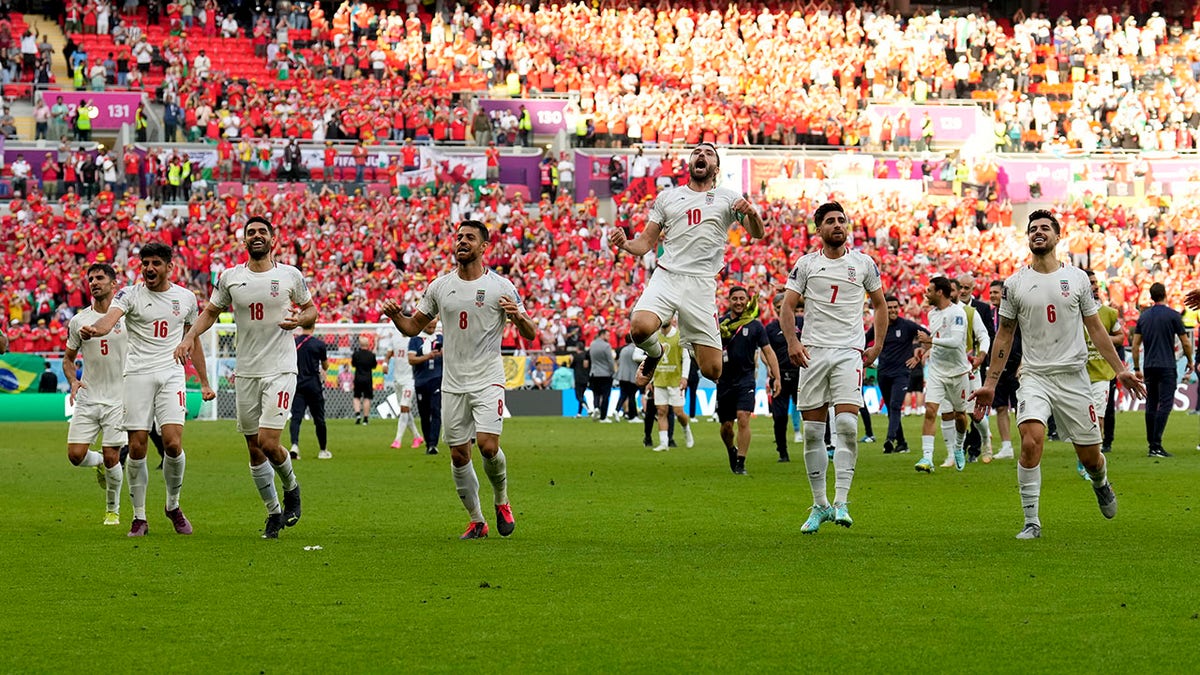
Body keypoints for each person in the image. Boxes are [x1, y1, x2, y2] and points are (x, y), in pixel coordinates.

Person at [971, 210, 1145, 540]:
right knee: (1031, 442)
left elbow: (1095, 328)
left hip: (1073, 377)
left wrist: (1120, 370)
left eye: (1045, 228)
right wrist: (990, 383)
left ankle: (1100, 482)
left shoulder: (1078, 279)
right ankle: (1031, 521)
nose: (1038, 232)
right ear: (1028, 237)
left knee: (1091, 457)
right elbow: (1004, 334)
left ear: (1057, 236)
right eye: (1033, 228)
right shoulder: (1014, 284)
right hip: (1035, 376)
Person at [383, 220, 537, 540]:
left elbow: (531, 333)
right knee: (457, 454)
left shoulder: (501, 286)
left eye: (470, 238)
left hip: (488, 378)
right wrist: (396, 315)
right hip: (452, 383)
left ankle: (502, 500)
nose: (462, 242)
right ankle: (477, 520)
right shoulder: (440, 286)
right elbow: (413, 327)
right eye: (458, 237)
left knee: (487, 445)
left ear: (484, 247)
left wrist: (519, 316)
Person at [177, 217, 315, 539]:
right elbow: (210, 312)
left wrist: (299, 319)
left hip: (280, 368)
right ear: (244, 241)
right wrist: (188, 337)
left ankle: (292, 488)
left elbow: (311, 310)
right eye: (250, 232)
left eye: (261, 232)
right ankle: (273, 513)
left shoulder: (289, 275)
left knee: (269, 442)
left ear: (272, 239)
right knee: (254, 449)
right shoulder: (230, 278)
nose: (256, 236)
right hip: (247, 371)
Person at [81, 242, 216, 538]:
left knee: (172, 444)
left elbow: (192, 340)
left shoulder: (186, 298)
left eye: (156, 263)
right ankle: (139, 517)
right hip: (138, 374)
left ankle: (172, 505)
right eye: (145, 263)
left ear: (170, 267)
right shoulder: (128, 294)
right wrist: (98, 329)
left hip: (171, 374)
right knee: (138, 445)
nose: (149, 268)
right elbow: (109, 320)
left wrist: (204, 381)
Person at [608, 142, 764, 391]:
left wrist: (753, 214)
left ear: (716, 168)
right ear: (690, 164)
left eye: (708, 153)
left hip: (701, 284)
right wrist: (625, 244)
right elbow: (646, 242)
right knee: (638, 328)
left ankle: (692, 340)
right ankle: (655, 353)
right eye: (696, 153)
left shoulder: (729, 198)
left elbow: (757, 234)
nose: (701, 155)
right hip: (668, 276)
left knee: (712, 370)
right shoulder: (668, 198)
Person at [781, 201, 888, 534]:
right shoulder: (806, 265)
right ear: (819, 229)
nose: (838, 225)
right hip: (813, 352)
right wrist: (793, 343)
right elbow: (786, 307)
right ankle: (820, 505)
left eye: (842, 220)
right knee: (813, 432)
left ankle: (842, 501)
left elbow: (880, 306)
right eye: (830, 221)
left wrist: (877, 345)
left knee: (846, 426)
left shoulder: (864, 264)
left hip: (848, 353)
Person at [63, 263, 127, 526]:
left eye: (100, 278)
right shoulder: (79, 321)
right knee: (75, 456)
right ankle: (98, 461)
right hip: (89, 396)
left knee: (115, 456)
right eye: (91, 279)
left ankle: (113, 509)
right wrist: (72, 382)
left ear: (114, 284)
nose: (94, 282)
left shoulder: (126, 318)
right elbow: (68, 359)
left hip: (119, 398)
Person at [717, 287, 780, 474]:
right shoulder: (720, 324)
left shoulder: (755, 326)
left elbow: (768, 351)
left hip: (746, 379)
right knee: (726, 426)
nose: (738, 302)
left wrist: (776, 377)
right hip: (724, 380)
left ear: (747, 301)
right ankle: (731, 449)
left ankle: (740, 462)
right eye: (734, 298)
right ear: (729, 301)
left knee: (744, 418)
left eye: (742, 298)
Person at [913, 277, 971, 473]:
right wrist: (925, 348)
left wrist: (930, 340)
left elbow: (955, 341)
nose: (926, 294)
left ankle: (958, 447)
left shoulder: (958, 313)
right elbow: (937, 338)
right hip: (937, 369)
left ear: (939, 292)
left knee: (960, 415)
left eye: (929, 290)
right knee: (930, 410)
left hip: (958, 371)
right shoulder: (932, 314)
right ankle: (927, 458)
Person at [1131, 282, 1192, 458]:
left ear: (1151, 296)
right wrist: (1190, 360)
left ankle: (1152, 445)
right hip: (1167, 365)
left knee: (1151, 403)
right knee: (1165, 403)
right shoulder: (1173, 315)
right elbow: (1185, 342)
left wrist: (1136, 367)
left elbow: (1135, 345)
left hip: (1149, 365)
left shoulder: (1144, 317)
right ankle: (1156, 444)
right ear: (1165, 294)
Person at [1078, 269, 1126, 476]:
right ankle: (1084, 455)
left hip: (1101, 375)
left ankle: (1092, 460)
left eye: (1096, 282)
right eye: (1090, 282)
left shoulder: (1108, 313)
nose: (1095, 285)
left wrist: (1102, 338)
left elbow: (1120, 337)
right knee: (1080, 419)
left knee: (1098, 417)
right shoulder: (1072, 311)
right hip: (1077, 373)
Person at [865, 295, 926, 455]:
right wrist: (865, 357)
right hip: (883, 373)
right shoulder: (880, 325)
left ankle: (889, 440)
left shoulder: (907, 326)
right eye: (889, 307)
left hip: (902, 373)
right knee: (892, 409)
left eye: (894, 307)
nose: (892, 310)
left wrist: (918, 355)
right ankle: (902, 443)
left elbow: (927, 337)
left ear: (899, 308)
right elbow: (863, 340)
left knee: (894, 405)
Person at [766, 292, 803, 462]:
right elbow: (765, 352)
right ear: (774, 309)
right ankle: (782, 452)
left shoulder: (802, 323)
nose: (782, 311)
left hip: (801, 374)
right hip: (779, 376)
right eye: (779, 308)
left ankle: (821, 446)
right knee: (779, 416)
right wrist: (769, 368)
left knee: (811, 413)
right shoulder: (770, 329)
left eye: (785, 307)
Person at [987, 279, 1021, 460]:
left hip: (1016, 365)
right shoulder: (988, 314)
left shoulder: (1016, 314)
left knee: (1020, 408)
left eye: (996, 292)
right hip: (997, 367)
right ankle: (1006, 447)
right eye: (990, 292)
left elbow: (1025, 339)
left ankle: (1026, 443)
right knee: (1000, 407)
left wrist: (1023, 361)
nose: (992, 295)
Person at [648, 318, 694, 452]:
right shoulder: (655, 336)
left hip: (675, 380)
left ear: (672, 318)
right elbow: (650, 358)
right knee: (661, 411)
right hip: (659, 379)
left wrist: (684, 377)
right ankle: (664, 443)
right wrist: (650, 380)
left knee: (679, 412)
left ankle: (686, 429)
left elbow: (686, 357)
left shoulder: (680, 336)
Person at [290, 321, 329, 460]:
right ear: (313, 327)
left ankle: (294, 445)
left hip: (297, 383)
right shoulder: (319, 344)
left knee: (296, 417)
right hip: (313, 384)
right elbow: (325, 365)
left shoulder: (293, 342)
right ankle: (323, 450)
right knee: (319, 418)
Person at [409, 320, 444, 455]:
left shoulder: (440, 338)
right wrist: (427, 356)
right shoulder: (415, 340)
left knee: (436, 411)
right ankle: (428, 442)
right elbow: (411, 359)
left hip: (437, 379)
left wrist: (442, 353)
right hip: (421, 381)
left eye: (434, 326)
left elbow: (450, 354)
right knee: (424, 414)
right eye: (429, 325)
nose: (432, 328)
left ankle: (433, 444)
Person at [387, 327, 424, 450]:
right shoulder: (395, 338)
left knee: (404, 408)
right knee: (405, 410)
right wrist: (384, 364)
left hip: (410, 379)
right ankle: (417, 436)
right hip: (397, 379)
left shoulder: (414, 340)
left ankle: (397, 440)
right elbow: (388, 354)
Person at [588, 328, 616, 422]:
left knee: (596, 393)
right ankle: (603, 417)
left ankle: (596, 408)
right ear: (602, 335)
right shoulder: (606, 346)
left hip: (594, 372)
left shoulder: (592, 344)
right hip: (605, 374)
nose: (609, 337)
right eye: (607, 335)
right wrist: (613, 371)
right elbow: (610, 361)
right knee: (605, 396)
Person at [350, 337, 378, 424]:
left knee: (356, 397)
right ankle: (365, 419)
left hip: (358, 378)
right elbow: (374, 366)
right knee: (367, 398)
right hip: (368, 378)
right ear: (368, 344)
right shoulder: (371, 355)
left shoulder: (356, 354)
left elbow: (353, 364)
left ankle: (358, 414)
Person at [613, 338, 640, 421]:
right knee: (632, 396)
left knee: (623, 395)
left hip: (622, 376)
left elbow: (619, 361)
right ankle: (633, 416)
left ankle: (617, 410)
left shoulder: (623, 349)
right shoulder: (636, 350)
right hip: (631, 376)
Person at [569, 342, 590, 418]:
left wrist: (571, 360)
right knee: (581, 395)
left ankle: (588, 408)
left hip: (578, 378)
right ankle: (579, 413)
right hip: (586, 378)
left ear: (577, 348)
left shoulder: (576, 356)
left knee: (578, 397)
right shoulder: (586, 356)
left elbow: (571, 366)